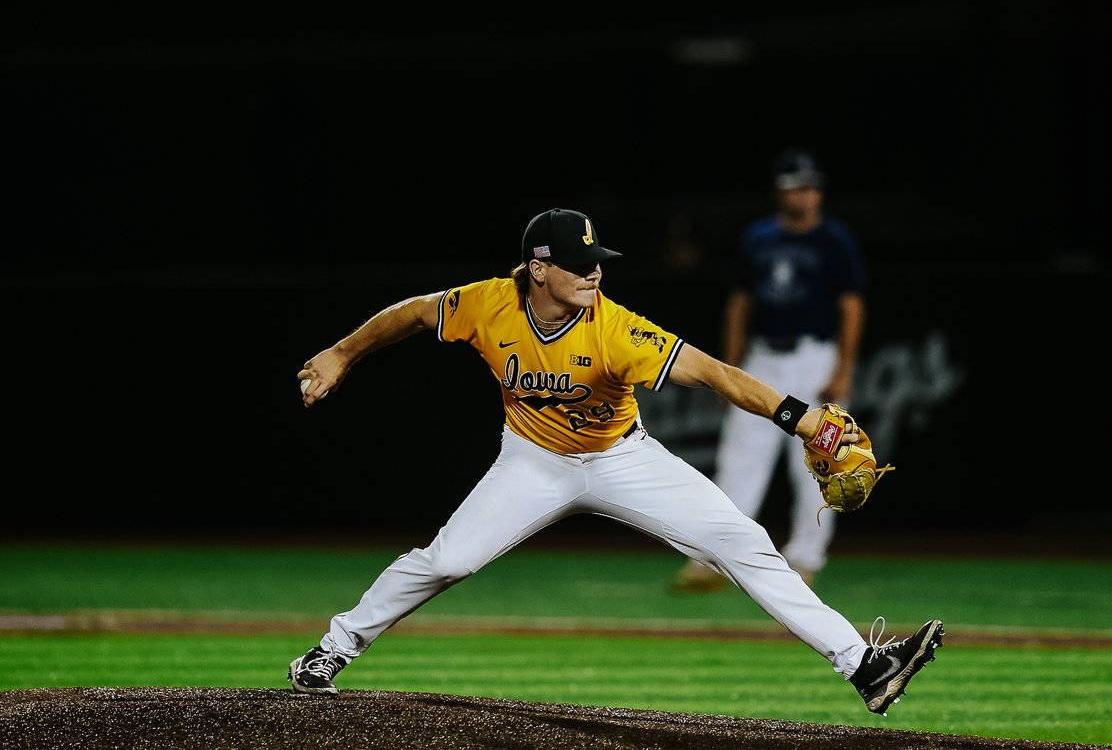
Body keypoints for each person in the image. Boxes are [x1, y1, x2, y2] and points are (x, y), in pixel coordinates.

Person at [287, 207, 942, 715]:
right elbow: (411, 314)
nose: (594, 271)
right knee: (447, 561)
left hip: (624, 460)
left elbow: (715, 373)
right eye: (579, 262)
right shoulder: (487, 305)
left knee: (744, 541)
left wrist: (800, 419)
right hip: (532, 463)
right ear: (537, 268)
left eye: (597, 259)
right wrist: (343, 353)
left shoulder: (617, 329)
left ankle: (864, 665)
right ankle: (332, 649)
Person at [671, 150, 866, 594]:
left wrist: (843, 368)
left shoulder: (835, 240)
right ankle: (714, 559)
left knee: (822, 463)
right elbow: (740, 303)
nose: (808, 194)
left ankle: (805, 558)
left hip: (815, 356)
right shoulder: (758, 237)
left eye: (812, 186)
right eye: (799, 186)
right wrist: (730, 367)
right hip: (763, 359)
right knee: (739, 462)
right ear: (781, 191)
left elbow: (851, 306)